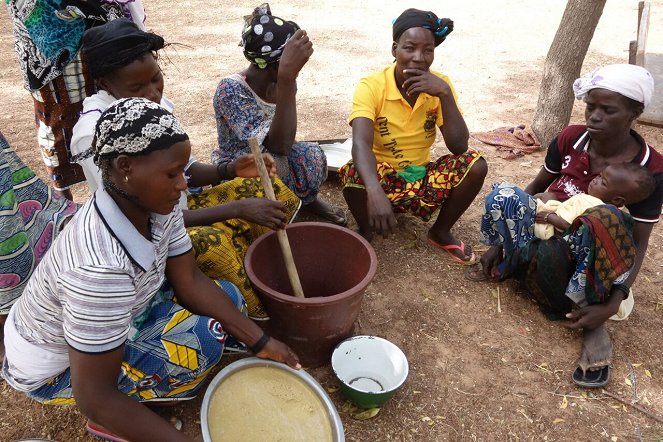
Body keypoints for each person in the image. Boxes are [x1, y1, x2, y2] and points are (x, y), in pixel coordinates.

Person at [2, 97, 300, 442]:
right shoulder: (100, 270)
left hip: (119, 316)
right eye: (173, 173)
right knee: (204, 343)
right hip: (59, 369)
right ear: (126, 167)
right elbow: (94, 396)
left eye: (183, 170)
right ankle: (114, 423)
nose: (184, 184)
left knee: (229, 299)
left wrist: (261, 340)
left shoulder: (156, 202)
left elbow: (188, 279)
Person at [70, 18, 300, 319]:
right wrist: (236, 209)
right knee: (212, 245)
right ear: (105, 85)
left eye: (156, 78)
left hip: (179, 208)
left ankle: (264, 271)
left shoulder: (153, 104)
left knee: (271, 193)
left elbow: (184, 170)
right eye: (137, 86)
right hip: (147, 238)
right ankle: (256, 315)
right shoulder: (95, 134)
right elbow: (147, 223)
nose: (152, 92)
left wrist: (229, 170)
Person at [476, 64, 662, 388]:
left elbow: (638, 242)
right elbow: (534, 188)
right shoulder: (570, 138)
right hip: (546, 224)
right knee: (505, 194)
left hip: (587, 259)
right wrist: (500, 239)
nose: (594, 117)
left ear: (635, 112)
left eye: (608, 110)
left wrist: (615, 300)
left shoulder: (651, 171)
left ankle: (591, 319)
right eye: (591, 106)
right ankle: (513, 257)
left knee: (603, 218)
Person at [338, 8, 488, 265]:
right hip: (381, 179)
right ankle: (366, 230)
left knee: (475, 164)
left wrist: (445, 94)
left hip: (420, 179)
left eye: (427, 50)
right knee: (352, 171)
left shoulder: (440, 85)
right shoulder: (371, 86)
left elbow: (458, 146)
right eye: (409, 48)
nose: (419, 58)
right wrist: (374, 190)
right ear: (394, 49)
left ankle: (440, 232)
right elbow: (360, 143)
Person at [212, 3, 346, 226]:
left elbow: (286, 140)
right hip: (241, 163)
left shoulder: (280, 81)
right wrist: (287, 81)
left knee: (311, 155)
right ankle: (277, 212)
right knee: (277, 166)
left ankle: (306, 201)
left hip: (275, 154)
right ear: (275, 66)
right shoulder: (231, 90)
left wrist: (286, 83)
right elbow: (278, 147)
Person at [4, 0, 145, 199]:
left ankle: (116, 191)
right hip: (48, 45)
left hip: (98, 33)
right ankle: (65, 200)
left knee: (109, 110)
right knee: (57, 122)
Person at [534, 162, 653, 239]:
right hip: (558, 221)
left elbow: (570, 227)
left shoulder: (592, 205)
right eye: (600, 176)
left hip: (552, 232)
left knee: (543, 198)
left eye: (603, 182)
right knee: (549, 196)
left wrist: (548, 217)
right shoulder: (614, 211)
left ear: (617, 200)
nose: (596, 180)